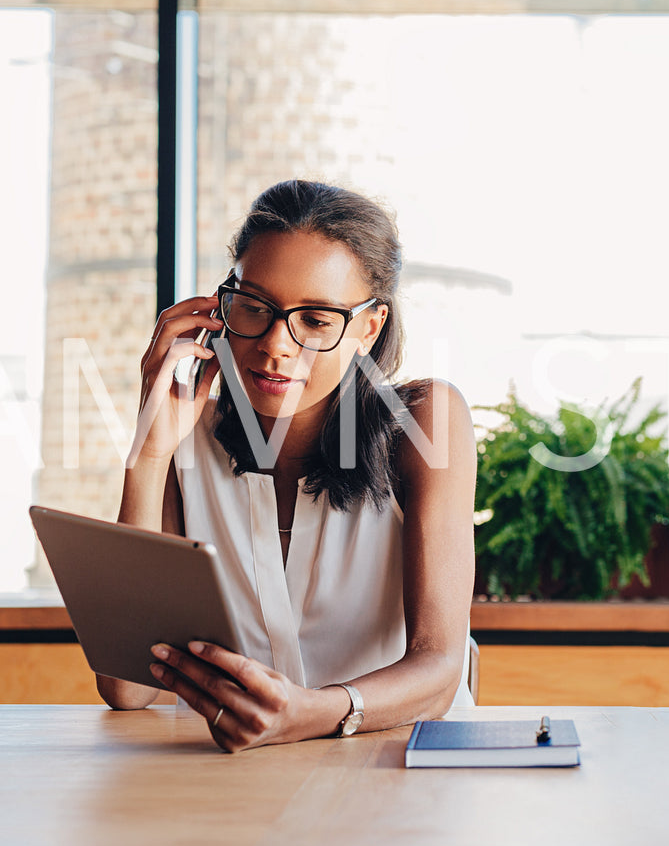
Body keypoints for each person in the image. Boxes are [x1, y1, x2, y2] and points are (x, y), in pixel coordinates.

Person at [98, 179, 476, 753]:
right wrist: (148, 457)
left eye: (317, 321)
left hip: (399, 775)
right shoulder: (183, 439)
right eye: (255, 307)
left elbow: (441, 668)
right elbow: (127, 689)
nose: (276, 344)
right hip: (235, 784)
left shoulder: (423, 422)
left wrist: (313, 712)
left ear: (368, 328)